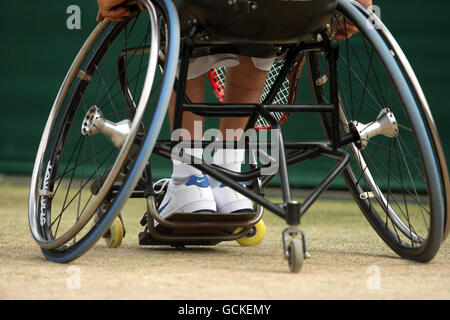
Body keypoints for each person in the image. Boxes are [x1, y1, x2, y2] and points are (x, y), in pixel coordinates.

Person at [96, 0, 372, 218]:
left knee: (182, 20)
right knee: (262, 27)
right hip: (299, 10)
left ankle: (189, 181)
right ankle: (228, 180)